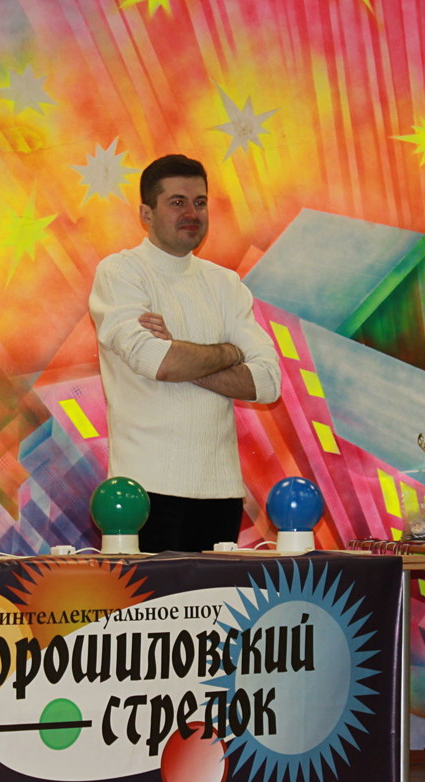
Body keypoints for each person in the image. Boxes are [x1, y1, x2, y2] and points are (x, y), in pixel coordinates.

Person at [89, 154, 281, 552]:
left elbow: (266, 383)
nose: (192, 213)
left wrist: (178, 350)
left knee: (216, 598)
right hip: (141, 493)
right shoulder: (120, 272)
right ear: (146, 213)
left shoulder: (226, 284)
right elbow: (157, 362)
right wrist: (232, 352)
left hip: (221, 494)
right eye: (177, 202)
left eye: (200, 202)